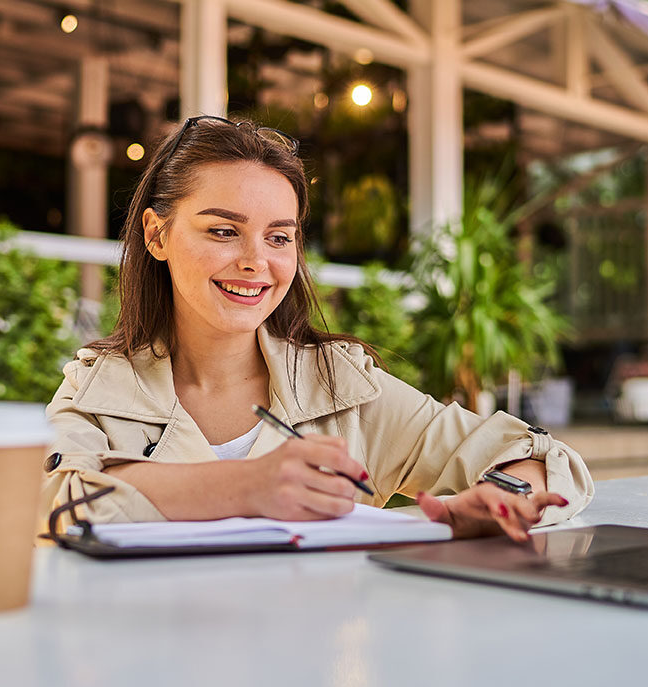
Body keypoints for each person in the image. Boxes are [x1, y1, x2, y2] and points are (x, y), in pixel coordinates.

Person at [40, 115, 594, 542]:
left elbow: (539, 454)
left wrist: (500, 498)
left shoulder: (339, 387)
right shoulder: (99, 389)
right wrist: (249, 486)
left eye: (280, 237)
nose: (256, 261)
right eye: (223, 231)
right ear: (157, 235)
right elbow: (52, 505)